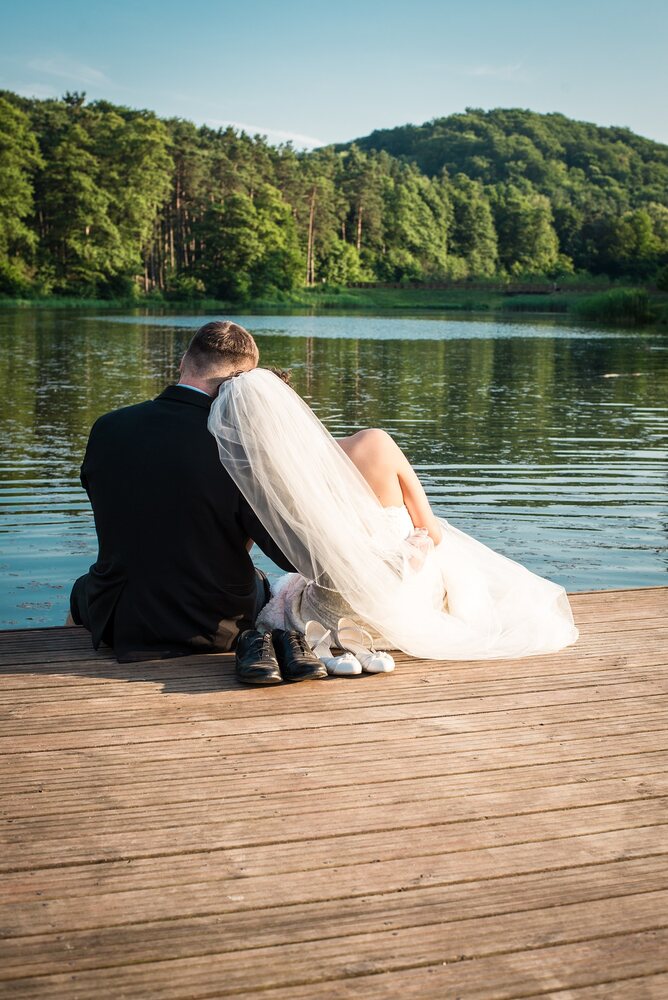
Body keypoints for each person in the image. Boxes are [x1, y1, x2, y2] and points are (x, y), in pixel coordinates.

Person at [208, 368, 579, 661]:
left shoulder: (274, 478)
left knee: (289, 589)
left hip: (330, 614)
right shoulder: (374, 443)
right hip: (403, 599)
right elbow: (430, 531)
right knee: (444, 553)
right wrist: (410, 549)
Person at [69, 321, 298, 663]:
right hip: (211, 628)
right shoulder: (238, 448)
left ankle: (61, 657)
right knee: (263, 581)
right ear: (243, 385)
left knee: (84, 587)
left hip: (118, 618)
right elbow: (287, 554)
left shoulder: (107, 427)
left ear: (183, 363)